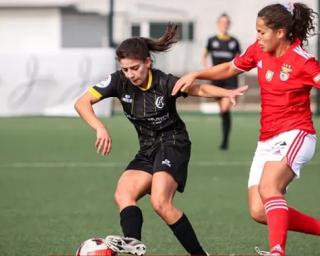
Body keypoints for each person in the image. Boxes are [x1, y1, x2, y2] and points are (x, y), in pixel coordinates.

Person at [74, 23, 247, 256]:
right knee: (123, 194)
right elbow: (81, 102)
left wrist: (226, 92)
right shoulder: (118, 81)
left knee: (160, 203)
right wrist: (100, 128)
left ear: (148, 62)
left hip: (173, 143)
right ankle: (133, 245)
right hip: (147, 148)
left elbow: (198, 90)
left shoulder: (165, 83)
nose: (130, 74)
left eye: (135, 68)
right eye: (125, 69)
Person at [172, 3, 320, 256]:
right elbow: (230, 68)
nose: (257, 38)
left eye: (262, 32)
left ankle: (277, 251)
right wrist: (196, 73)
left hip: (297, 133)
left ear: (281, 32)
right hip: (266, 140)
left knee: (268, 188)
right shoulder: (259, 51)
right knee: (259, 211)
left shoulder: (303, 61)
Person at [201, 13, 241, 150]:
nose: (224, 24)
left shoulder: (234, 41)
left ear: (229, 24)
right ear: (218, 24)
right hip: (217, 79)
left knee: (224, 109)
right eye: (222, 22)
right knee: (222, 111)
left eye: (227, 22)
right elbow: (204, 56)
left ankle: (224, 141)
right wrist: (208, 69)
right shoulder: (212, 40)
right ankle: (225, 137)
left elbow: (239, 59)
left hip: (230, 79)